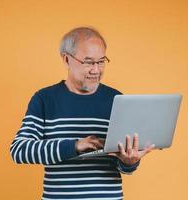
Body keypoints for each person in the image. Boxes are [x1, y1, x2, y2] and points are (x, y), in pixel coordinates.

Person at [10, 27, 154, 200]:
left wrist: (130, 162)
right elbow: (19, 150)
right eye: (88, 62)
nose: (96, 70)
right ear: (66, 59)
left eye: (101, 61)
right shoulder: (44, 99)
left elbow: (123, 167)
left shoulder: (117, 100)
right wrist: (75, 146)